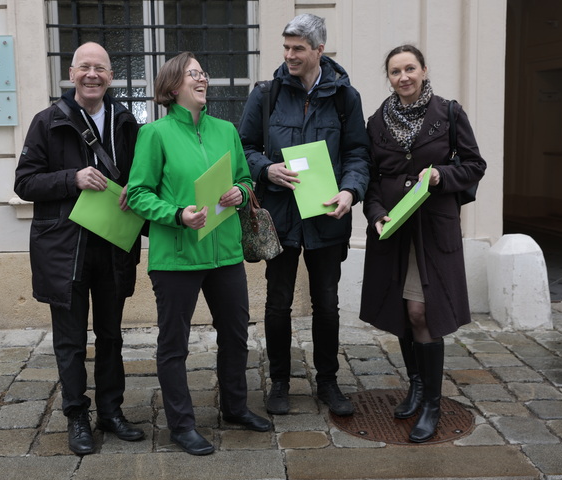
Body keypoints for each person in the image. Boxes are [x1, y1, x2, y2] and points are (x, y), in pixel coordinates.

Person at [127, 52, 271, 456]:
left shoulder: (226, 130)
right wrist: (177, 214)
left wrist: (240, 193)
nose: (202, 78)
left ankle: (236, 407)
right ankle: (182, 425)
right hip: (176, 258)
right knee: (174, 344)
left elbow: (245, 179)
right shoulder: (154, 135)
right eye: (193, 74)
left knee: (236, 335)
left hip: (224, 252)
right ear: (173, 88)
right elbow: (138, 193)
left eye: (203, 72)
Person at [14, 42, 145, 455]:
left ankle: (111, 411)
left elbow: (139, 177)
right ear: (71, 74)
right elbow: (24, 183)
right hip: (64, 248)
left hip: (112, 245)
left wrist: (134, 194)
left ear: (110, 76)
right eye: (85, 67)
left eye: (101, 68)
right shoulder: (47, 121)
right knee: (69, 341)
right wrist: (71, 178)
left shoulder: (126, 122)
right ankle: (76, 417)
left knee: (110, 336)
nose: (93, 75)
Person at [238, 14, 370, 416]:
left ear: (318, 50)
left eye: (298, 48)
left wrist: (351, 190)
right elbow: (243, 147)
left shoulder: (346, 97)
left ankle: (328, 381)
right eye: (286, 47)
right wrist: (266, 168)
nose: (289, 55)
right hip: (280, 217)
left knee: (326, 303)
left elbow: (358, 154)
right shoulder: (267, 94)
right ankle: (280, 381)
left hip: (327, 217)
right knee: (277, 303)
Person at [359, 44, 487, 443]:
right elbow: (372, 177)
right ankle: (415, 384)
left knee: (420, 312)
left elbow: (474, 165)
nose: (404, 77)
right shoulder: (377, 121)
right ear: (390, 77)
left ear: (424, 70)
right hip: (393, 229)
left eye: (410, 68)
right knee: (401, 309)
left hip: (431, 230)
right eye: (396, 71)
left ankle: (431, 400)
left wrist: (440, 178)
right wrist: (375, 211)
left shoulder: (448, 113)